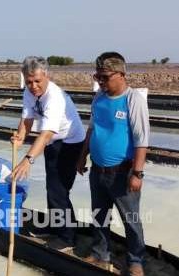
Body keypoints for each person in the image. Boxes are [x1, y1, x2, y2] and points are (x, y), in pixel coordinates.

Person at [77, 52, 149, 276]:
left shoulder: (133, 99)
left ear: (121, 74)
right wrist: (83, 156)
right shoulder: (99, 97)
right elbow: (92, 129)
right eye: (98, 77)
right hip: (98, 169)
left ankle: (136, 259)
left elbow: (141, 139)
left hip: (122, 172)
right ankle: (101, 254)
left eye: (105, 77)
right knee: (99, 215)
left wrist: (137, 173)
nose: (101, 82)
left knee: (131, 220)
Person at [11, 56, 85, 251]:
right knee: (51, 186)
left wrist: (28, 159)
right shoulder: (29, 92)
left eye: (37, 81)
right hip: (54, 141)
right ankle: (54, 227)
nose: (33, 86)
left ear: (46, 76)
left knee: (58, 189)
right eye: (28, 81)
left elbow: (45, 135)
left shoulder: (55, 98)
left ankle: (68, 237)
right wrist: (20, 136)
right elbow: (27, 119)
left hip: (70, 142)